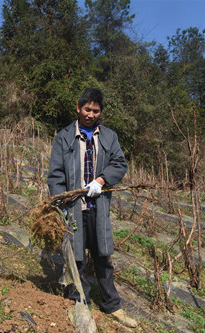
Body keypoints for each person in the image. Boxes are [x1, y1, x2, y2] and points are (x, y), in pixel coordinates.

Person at [47, 88, 137, 328]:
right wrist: (61, 203)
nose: (91, 114)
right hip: (74, 206)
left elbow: (119, 163)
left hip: (99, 205)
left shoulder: (109, 137)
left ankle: (112, 305)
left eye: (96, 110)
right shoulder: (64, 137)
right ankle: (81, 302)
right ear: (78, 108)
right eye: (87, 109)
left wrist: (101, 180)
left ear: (100, 112)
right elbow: (55, 175)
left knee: (103, 255)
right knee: (76, 257)